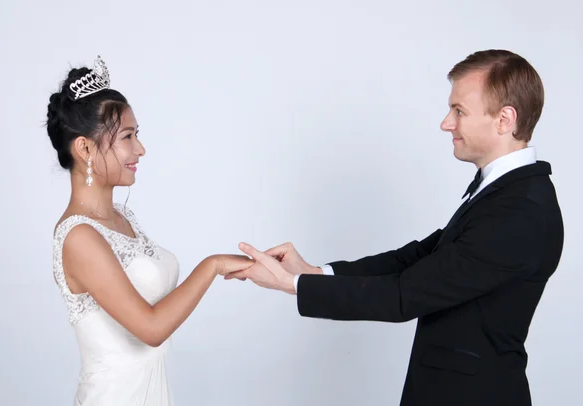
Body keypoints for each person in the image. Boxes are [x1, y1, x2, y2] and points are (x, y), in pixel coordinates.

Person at [226, 49, 564, 406]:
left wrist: (293, 285)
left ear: (504, 120)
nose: (446, 123)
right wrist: (316, 272)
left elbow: (406, 294)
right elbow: (415, 258)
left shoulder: (520, 210)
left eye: (459, 111)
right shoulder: (502, 193)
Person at [47, 56, 253, 406]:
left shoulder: (122, 218)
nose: (140, 149)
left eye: (136, 134)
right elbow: (151, 329)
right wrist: (213, 265)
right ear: (84, 148)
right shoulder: (78, 238)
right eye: (127, 136)